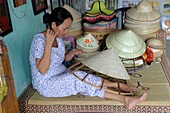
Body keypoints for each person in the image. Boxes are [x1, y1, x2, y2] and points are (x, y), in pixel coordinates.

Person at [29, 7, 147, 110]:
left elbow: (61, 59)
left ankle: (117, 86)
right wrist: (48, 44)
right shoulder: (39, 41)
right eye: (65, 28)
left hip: (60, 73)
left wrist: (72, 53)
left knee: (83, 75)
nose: (66, 32)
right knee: (77, 79)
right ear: (54, 25)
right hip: (46, 83)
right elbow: (42, 70)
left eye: (68, 28)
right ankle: (124, 98)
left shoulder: (58, 38)